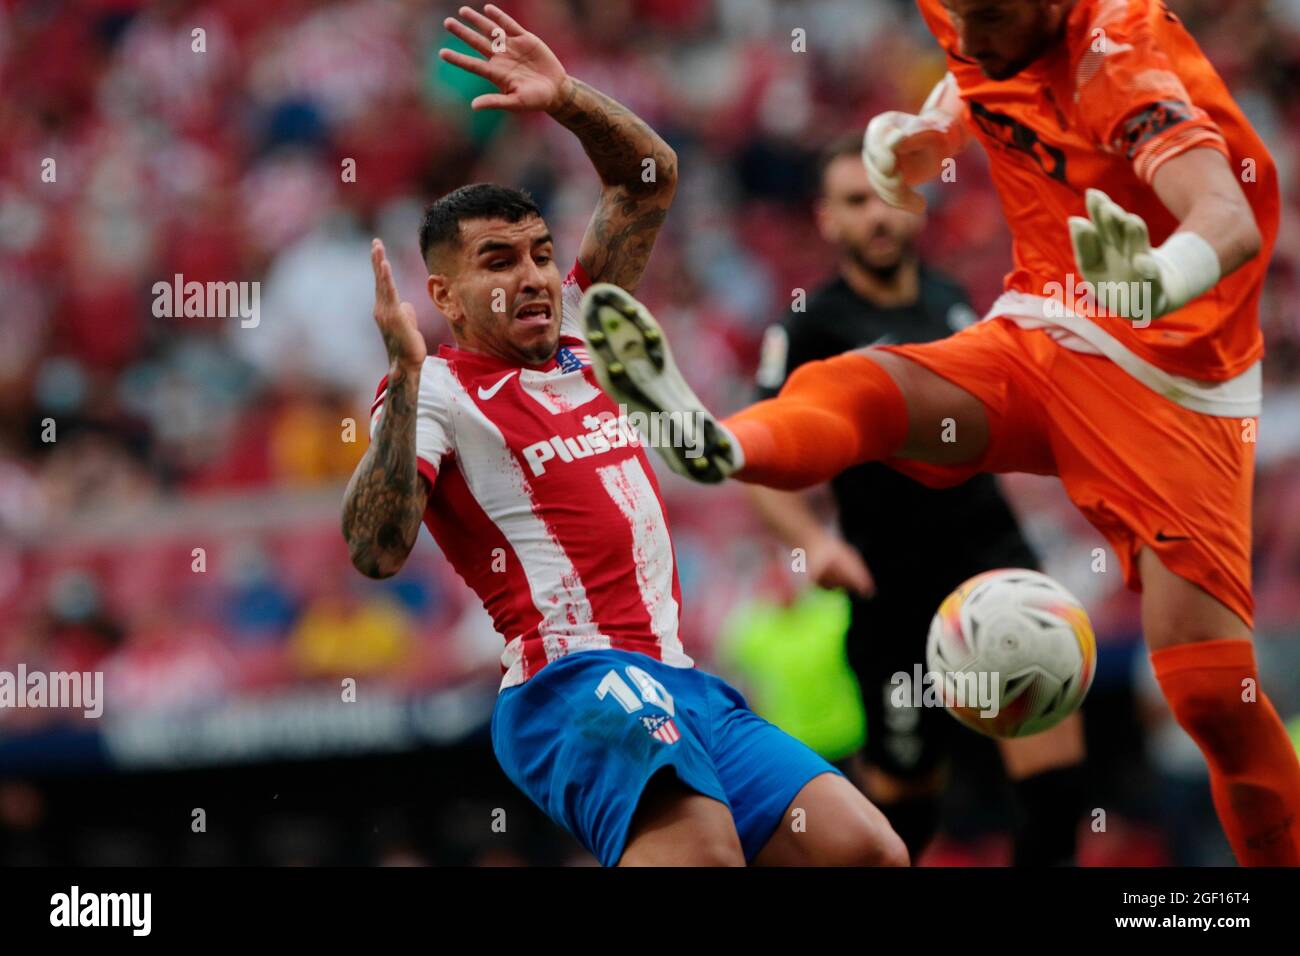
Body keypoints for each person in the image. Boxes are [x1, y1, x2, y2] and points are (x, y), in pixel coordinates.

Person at [580, 0, 1299, 865]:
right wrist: (935, 132)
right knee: (867, 387)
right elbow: (983, 75)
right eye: (960, 21)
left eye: (990, 20)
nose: (972, 39)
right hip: (1046, 332)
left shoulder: (1121, 48)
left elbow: (1224, 212)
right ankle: (723, 444)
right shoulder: (968, 18)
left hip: (1175, 385)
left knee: (1215, 696)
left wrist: (1160, 275)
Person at [341, 4, 906, 868]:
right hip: (568, 682)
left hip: (678, 676)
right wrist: (409, 376)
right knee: (700, 852)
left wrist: (566, 98)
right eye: (498, 262)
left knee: (861, 850)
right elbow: (375, 551)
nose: (531, 275)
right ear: (445, 298)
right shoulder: (436, 391)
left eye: (537, 252)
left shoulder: (588, 332)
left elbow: (647, 180)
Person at [745, 133, 1086, 865]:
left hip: (993, 563)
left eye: (890, 197)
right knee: (906, 814)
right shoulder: (807, 326)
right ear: (827, 219)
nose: (878, 216)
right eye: (855, 201)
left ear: (916, 206)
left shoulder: (955, 301)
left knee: (1054, 789)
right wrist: (818, 546)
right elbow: (752, 462)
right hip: (890, 588)